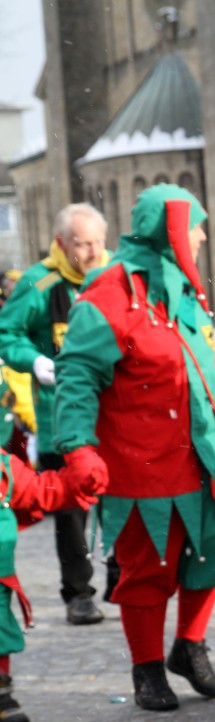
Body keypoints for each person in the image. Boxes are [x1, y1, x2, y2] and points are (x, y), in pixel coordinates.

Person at [53, 184, 215, 712]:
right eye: (195, 225)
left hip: (204, 456)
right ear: (172, 229)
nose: (201, 236)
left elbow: (202, 362)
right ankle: (147, 668)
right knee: (147, 568)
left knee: (212, 553)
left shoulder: (180, 287)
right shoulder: (107, 294)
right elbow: (78, 376)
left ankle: (189, 646)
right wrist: (79, 448)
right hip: (142, 465)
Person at [0, 204, 109, 625]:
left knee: (123, 498)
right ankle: (78, 593)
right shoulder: (39, 281)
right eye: (83, 244)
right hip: (59, 415)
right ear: (62, 243)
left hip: (112, 412)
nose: (94, 252)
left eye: (99, 241)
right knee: (70, 508)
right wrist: (35, 361)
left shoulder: (112, 275)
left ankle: (123, 576)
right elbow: (7, 333)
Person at [0, 375, 103, 722]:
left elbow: (39, 489)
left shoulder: (3, 466)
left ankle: (1, 694)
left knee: (1, 631)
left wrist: (79, 480)